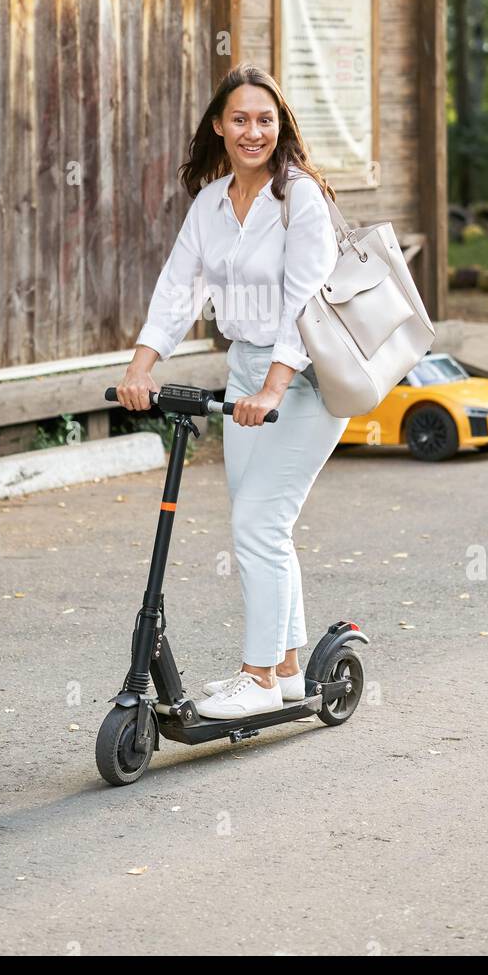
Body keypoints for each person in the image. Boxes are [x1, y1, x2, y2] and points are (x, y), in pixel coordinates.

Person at [115, 62, 349, 719]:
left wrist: (274, 387)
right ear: (219, 126)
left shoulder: (299, 197)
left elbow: (307, 300)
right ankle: (287, 671)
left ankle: (259, 679)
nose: (253, 131)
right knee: (262, 523)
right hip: (247, 371)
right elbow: (177, 290)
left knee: (258, 521)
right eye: (240, 119)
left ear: (282, 127)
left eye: (265, 120)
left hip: (306, 380)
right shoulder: (212, 205)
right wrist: (141, 367)